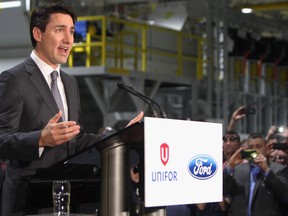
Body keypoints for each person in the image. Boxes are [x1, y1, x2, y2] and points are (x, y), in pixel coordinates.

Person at [0, 2, 143, 215]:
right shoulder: (14, 79)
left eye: (72, 31)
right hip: (27, 199)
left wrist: (122, 136)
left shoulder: (70, 83)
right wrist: (40, 139)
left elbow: (77, 140)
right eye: (60, 30)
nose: (69, 39)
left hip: (67, 195)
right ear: (38, 34)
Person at [223, 132, 288, 216]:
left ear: (266, 148)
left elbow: (284, 194)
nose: (254, 150)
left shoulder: (278, 169)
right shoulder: (238, 169)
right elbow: (224, 191)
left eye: (258, 146)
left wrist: (266, 171)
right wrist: (230, 166)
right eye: (251, 147)